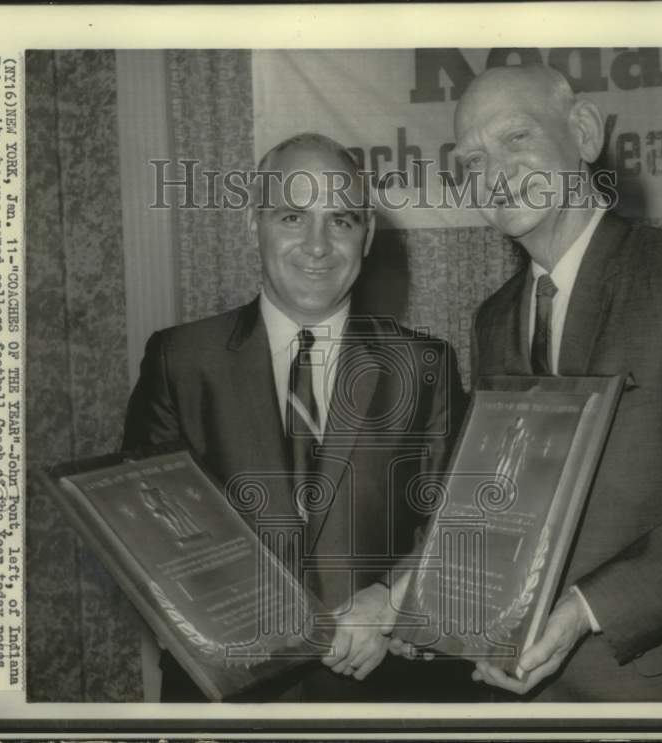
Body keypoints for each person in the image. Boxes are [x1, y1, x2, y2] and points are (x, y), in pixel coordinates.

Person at [442, 64, 662, 701]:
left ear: (581, 133)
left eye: (515, 139)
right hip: (523, 690)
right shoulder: (494, 319)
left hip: (656, 692)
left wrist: (583, 609)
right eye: (471, 162)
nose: (493, 175)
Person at [122, 132, 467, 701]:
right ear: (252, 224)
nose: (317, 245)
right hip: (227, 696)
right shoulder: (180, 360)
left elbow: (456, 526)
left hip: (383, 699)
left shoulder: (425, 365)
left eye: (341, 220)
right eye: (291, 217)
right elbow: (146, 537)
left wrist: (390, 603)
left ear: (368, 236)